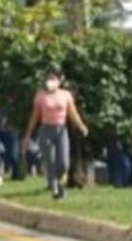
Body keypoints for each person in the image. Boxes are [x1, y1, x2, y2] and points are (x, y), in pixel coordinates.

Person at [23, 69, 89, 200]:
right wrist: (28, 135)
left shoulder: (65, 95)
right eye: (48, 78)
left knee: (63, 162)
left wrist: (81, 125)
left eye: (53, 78)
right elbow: (35, 116)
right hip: (46, 130)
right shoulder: (41, 96)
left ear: (59, 81)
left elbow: (72, 112)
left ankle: (58, 181)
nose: (50, 81)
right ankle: (55, 188)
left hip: (61, 130)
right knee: (50, 161)